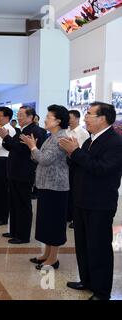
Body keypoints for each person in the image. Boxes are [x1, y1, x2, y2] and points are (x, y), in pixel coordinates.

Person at [60, 102, 122, 301]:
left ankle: (102, 291)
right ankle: (86, 280)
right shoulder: (90, 139)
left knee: (99, 247)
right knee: (83, 244)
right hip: (82, 199)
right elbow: (80, 165)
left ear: (102, 118)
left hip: (100, 203)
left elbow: (101, 168)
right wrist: (71, 153)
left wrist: (75, 152)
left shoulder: (115, 142)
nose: (85, 117)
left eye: (88, 114)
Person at [21, 104, 70, 270]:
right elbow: (39, 158)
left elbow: (45, 159)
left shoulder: (61, 138)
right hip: (46, 185)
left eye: (49, 117)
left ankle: (53, 259)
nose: (45, 119)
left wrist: (32, 146)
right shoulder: (51, 136)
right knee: (45, 222)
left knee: (54, 223)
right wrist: (34, 148)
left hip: (56, 188)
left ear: (58, 121)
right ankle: (46, 254)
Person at [0, 106, 47, 244]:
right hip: (15, 172)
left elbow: (21, 149)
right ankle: (14, 231)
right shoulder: (22, 130)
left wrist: (6, 137)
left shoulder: (35, 131)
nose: (18, 118)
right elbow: (11, 146)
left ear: (30, 117)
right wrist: (5, 138)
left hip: (24, 172)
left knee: (22, 204)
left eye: (21, 115)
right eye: (18, 115)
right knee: (14, 203)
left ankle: (23, 235)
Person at [66, 110, 90, 228]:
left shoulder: (83, 133)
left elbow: (81, 150)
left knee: (75, 191)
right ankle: (68, 215)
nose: (68, 120)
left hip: (76, 164)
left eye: (70, 118)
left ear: (77, 118)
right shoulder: (67, 131)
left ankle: (75, 219)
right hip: (66, 163)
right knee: (68, 191)